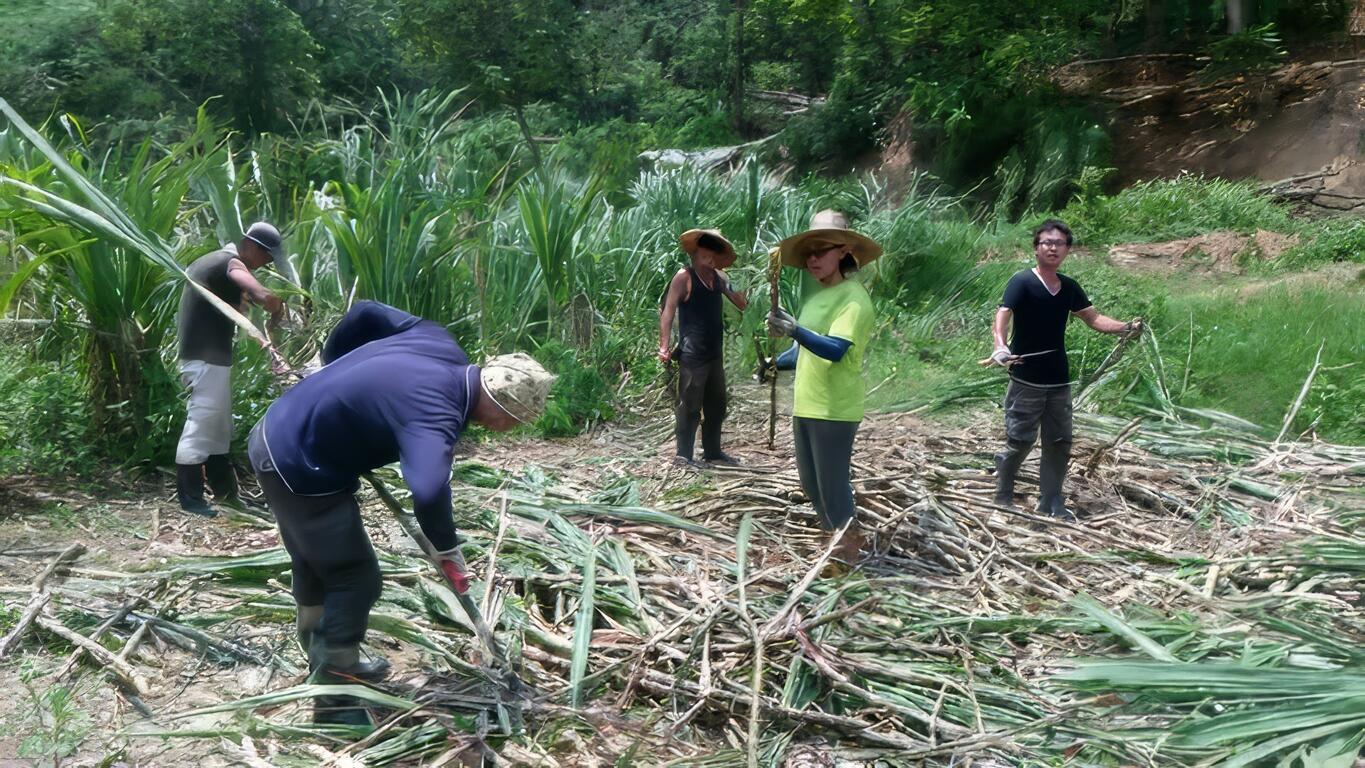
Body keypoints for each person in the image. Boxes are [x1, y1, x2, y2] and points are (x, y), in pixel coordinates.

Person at [246, 301, 553, 726]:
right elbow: (428, 489)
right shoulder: (437, 413)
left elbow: (365, 312)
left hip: (278, 431)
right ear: (500, 408)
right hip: (298, 463)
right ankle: (334, 702)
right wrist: (447, 549)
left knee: (316, 562)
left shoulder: (439, 343)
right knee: (355, 577)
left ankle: (324, 660)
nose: (510, 430)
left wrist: (331, 366)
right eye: (514, 421)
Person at [989, 219, 1142, 520]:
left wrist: (1125, 327)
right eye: (1047, 242)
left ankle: (1051, 502)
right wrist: (1000, 346)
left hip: (1058, 381)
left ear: (1067, 250)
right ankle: (1003, 495)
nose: (1053, 248)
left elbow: (1094, 319)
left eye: (1059, 243)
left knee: (1059, 443)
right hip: (1026, 379)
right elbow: (1003, 314)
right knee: (1020, 441)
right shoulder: (1022, 282)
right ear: (1036, 248)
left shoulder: (1069, 287)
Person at [766, 210, 880, 565]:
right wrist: (774, 362)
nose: (813, 259)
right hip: (806, 403)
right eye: (809, 253)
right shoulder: (816, 297)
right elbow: (803, 350)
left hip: (834, 408)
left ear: (844, 250)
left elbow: (835, 349)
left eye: (822, 251)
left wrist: (795, 330)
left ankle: (847, 559)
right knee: (811, 485)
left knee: (833, 487)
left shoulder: (853, 298)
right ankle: (835, 544)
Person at [175, 222, 288, 517]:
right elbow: (263, 296)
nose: (266, 263)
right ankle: (190, 500)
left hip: (208, 358)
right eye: (266, 256)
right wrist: (277, 304)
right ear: (249, 245)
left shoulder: (213, 263)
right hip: (204, 359)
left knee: (218, 429)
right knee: (201, 424)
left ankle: (226, 495)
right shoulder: (229, 262)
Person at [658, 229, 749, 466]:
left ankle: (713, 452)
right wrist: (664, 346)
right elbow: (668, 311)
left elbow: (742, 304)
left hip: (714, 354)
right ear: (695, 254)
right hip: (692, 355)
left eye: (713, 254)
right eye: (705, 253)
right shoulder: (684, 277)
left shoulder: (719, 279)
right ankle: (683, 455)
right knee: (689, 406)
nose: (709, 258)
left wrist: (735, 282)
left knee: (717, 406)